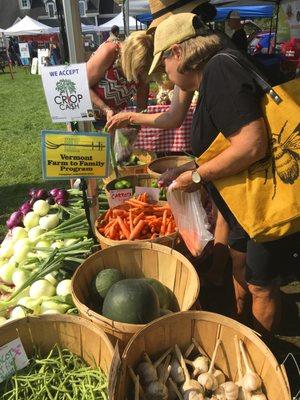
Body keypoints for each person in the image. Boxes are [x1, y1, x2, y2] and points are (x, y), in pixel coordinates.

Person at [148, 12, 300, 338]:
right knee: (240, 266)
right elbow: (226, 145)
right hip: (246, 201)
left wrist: (198, 177)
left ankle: (262, 351)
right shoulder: (216, 73)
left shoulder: (220, 70)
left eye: (164, 66)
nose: (165, 75)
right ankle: (241, 329)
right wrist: (186, 168)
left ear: (178, 52)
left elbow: (251, 145)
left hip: (267, 200)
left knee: (261, 286)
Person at [87, 30, 152, 129]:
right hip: (85, 114)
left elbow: (141, 107)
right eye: (138, 67)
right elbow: (82, 85)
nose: (140, 73)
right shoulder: (109, 52)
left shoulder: (144, 67)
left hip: (110, 116)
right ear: (130, 57)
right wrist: (105, 109)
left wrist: (136, 124)